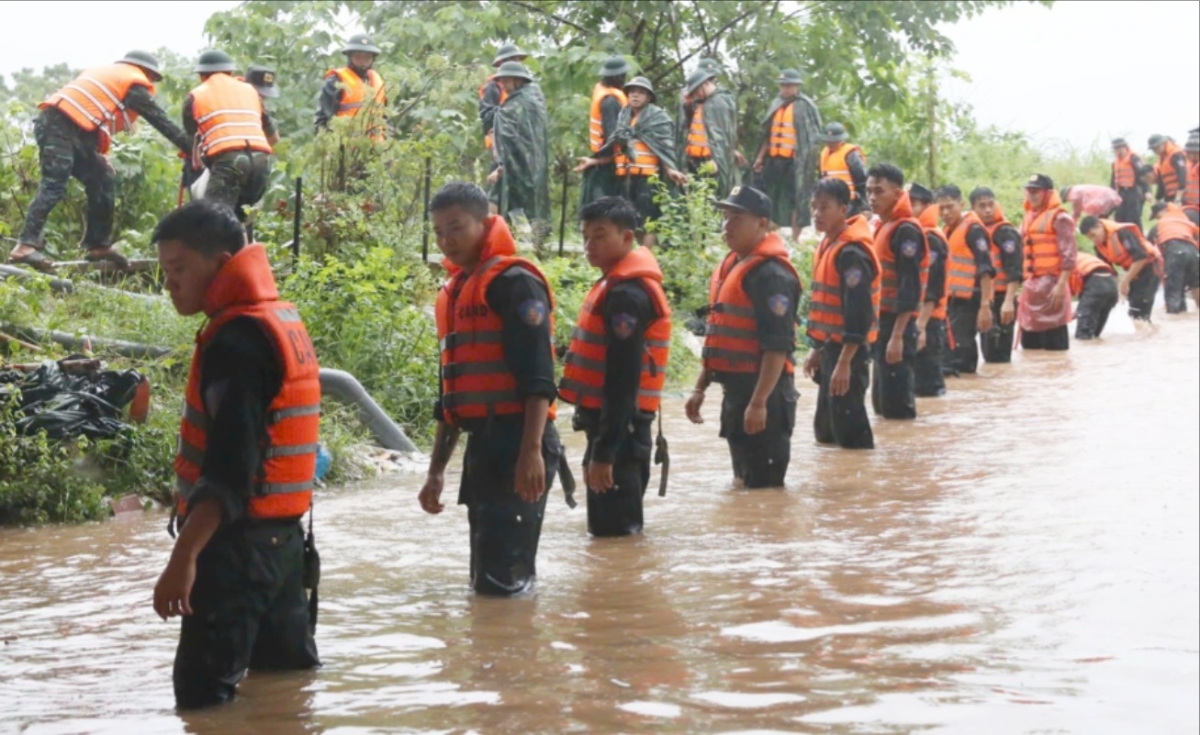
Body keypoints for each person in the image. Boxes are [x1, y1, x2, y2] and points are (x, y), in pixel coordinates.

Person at [151, 201, 320, 709]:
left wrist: (183, 557)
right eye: (165, 272)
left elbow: (230, 470)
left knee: (202, 701)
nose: (170, 285)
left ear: (221, 261)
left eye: (179, 270)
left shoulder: (236, 340)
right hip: (285, 546)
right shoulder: (277, 319)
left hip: (237, 552)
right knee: (284, 692)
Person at [420, 182, 563, 595]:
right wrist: (435, 471)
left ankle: (514, 655)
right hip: (484, 446)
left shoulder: (515, 283)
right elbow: (450, 393)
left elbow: (539, 378)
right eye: (439, 232)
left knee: (503, 585)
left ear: (485, 223)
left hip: (522, 442)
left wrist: (530, 451)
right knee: (488, 580)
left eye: (456, 228)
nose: (447, 241)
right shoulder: (458, 290)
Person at [10, 51, 191, 273]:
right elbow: (162, 122)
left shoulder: (107, 77)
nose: (150, 84)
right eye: (152, 78)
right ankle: (25, 245)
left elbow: (85, 118)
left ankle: (98, 244)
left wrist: (99, 157)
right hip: (57, 126)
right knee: (54, 183)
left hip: (66, 126)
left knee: (102, 176)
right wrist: (193, 149)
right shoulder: (133, 85)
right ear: (145, 71)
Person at [559, 197, 671, 536]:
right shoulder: (616, 286)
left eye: (599, 236)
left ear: (627, 238)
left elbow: (623, 379)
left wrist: (605, 453)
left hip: (621, 433)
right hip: (618, 429)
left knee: (616, 537)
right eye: (585, 237)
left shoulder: (626, 296)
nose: (588, 246)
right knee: (615, 536)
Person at [686, 186, 801, 486]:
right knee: (743, 483)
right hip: (736, 394)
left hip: (766, 396)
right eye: (725, 217)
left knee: (765, 491)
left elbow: (777, 346)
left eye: (736, 218)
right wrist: (700, 388)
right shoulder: (733, 266)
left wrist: (759, 402)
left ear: (762, 223)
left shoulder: (772, 275)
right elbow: (716, 338)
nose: (727, 226)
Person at [803, 178, 879, 449]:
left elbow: (859, 312)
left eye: (824, 207)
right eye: (813, 207)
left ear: (843, 209)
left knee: (851, 436)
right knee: (825, 433)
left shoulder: (851, 253)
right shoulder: (829, 245)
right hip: (829, 349)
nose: (816, 214)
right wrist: (816, 349)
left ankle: (858, 487)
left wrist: (845, 362)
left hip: (849, 352)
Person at [582, 76, 687, 245]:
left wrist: (671, 170)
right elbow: (615, 149)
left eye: (640, 92)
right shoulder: (623, 117)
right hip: (624, 179)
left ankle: (645, 259)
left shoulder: (657, 118)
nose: (635, 96)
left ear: (649, 97)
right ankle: (630, 259)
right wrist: (593, 162)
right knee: (627, 224)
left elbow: (664, 150)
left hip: (647, 180)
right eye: (632, 92)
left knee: (648, 223)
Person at [182, 50, 278, 222]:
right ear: (231, 72)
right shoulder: (251, 91)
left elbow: (193, 148)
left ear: (202, 76)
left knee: (214, 223)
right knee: (240, 222)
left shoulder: (195, 96)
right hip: (261, 162)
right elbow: (274, 138)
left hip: (229, 163)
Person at [865, 163, 925, 420]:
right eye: (869, 191)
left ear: (898, 193)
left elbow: (909, 284)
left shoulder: (906, 230)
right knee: (881, 403)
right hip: (881, 324)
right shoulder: (882, 226)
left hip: (897, 325)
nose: (872, 197)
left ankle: (905, 458)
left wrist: (898, 335)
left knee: (897, 408)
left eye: (879, 191)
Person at [752, 69, 823, 237]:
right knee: (769, 196)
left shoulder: (805, 106)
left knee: (796, 199)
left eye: (789, 85)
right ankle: (770, 235)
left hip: (795, 162)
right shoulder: (775, 104)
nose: (785, 89)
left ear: (797, 86)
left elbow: (812, 138)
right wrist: (760, 158)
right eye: (783, 85)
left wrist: (811, 162)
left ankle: (795, 238)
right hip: (774, 160)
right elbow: (767, 136)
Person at [488, 62, 551, 243]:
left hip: (517, 167)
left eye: (505, 81)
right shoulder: (534, 96)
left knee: (515, 205)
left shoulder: (516, 105)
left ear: (517, 80)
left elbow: (509, 140)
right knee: (518, 204)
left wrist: (500, 166)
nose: (503, 87)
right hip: (533, 166)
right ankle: (526, 242)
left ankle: (523, 244)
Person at [938, 184, 995, 374]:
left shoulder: (973, 230)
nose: (945, 212)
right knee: (950, 350)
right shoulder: (946, 231)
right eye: (941, 208)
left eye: (950, 207)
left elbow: (985, 269)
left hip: (971, 299)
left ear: (961, 205)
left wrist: (985, 305)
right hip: (952, 300)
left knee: (962, 350)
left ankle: (970, 388)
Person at [1018, 174, 1076, 351]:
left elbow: (1069, 255)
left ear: (1048, 194)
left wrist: (1060, 286)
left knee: (1055, 346)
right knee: (1030, 347)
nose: (1032, 195)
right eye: (1029, 191)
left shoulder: (1060, 218)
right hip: (1031, 287)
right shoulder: (1028, 217)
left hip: (1053, 286)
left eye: (1036, 191)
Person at [970, 187, 1022, 363]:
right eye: (982, 206)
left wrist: (1008, 302)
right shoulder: (975, 233)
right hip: (985, 299)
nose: (987, 210)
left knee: (998, 358)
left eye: (990, 205)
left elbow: (1014, 269)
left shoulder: (1004, 232)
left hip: (1001, 299)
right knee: (988, 353)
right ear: (972, 210)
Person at [1079, 215, 1162, 324]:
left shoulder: (1122, 233)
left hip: (1150, 268)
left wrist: (1125, 282)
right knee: (1134, 311)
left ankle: (1149, 336)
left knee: (1139, 313)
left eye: (1094, 235)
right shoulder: (1099, 247)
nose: (1094, 240)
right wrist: (1114, 291)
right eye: (1090, 238)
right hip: (1134, 273)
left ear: (1099, 226)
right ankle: (1147, 334)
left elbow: (1141, 257)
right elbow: (1107, 271)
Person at [909, 183, 949, 397]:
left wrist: (921, 326)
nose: (907, 207)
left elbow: (933, 287)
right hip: (919, 320)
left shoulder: (931, 239)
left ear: (925, 206)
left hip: (928, 322)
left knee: (928, 390)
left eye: (912, 204)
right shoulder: (917, 234)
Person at [577, 57, 630, 206]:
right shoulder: (610, 101)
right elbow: (613, 138)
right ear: (618, 77)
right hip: (607, 168)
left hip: (603, 162)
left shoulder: (605, 93)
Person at [681, 68, 740, 199]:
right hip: (696, 161)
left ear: (706, 83)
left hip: (710, 161)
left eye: (697, 89)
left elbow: (721, 138)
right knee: (697, 198)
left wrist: (716, 160)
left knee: (711, 199)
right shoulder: (704, 102)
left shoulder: (717, 103)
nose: (695, 94)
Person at [315, 33, 386, 139]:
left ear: (373, 58)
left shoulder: (377, 81)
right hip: (346, 149)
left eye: (367, 56)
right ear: (349, 56)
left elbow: (385, 117)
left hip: (375, 149)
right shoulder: (335, 81)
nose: (363, 60)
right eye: (358, 56)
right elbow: (323, 119)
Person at [1148, 202, 1200, 313]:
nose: (1158, 219)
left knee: (1173, 292)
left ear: (1163, 211)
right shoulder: (1185, 221)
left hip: (1176, 252)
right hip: (1194, 252)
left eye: (1157, 216)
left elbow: (1147, 248)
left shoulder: (1159, 225)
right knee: (1196, 285)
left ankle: (1173, 317)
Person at [479, 43, 527, 155]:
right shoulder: (493, 86)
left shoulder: (521, 86)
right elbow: (487, 117)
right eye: (515, 60)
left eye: (518, 60)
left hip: (517, 142)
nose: (518, 63)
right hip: (500, 145)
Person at [818, 122, 868, 216]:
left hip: (849, 203)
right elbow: (821, 178)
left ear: (841, 140)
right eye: (828, 140)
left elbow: (862, 180)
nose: (830, 143)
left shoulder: (850, 154)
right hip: (829, 201)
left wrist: (864, 205)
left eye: (834, 141)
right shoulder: (824, 154)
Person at [1070, 252, 1119, 340]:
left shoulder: (1062, 263)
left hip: (1095, 284)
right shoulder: (1078, 256)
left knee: (1083, 337)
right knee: (1095, 335)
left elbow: (1062, 293)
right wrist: (1080, 310)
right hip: (1112, 285)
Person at [1109, 138, 1145, 227]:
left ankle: (1138, 239)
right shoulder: (1115, 162)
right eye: (1116, 149)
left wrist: (1146, 191)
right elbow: (1113, 179)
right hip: (1121, 192)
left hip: (1133, 191)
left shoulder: (1134, 158)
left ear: (1125, 147)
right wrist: (1110, 194)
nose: (1118, 151)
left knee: (1133, 217)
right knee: (1119, 217)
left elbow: (1142, 174)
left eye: (1120, 148)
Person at [1149, 133, 1187, 204]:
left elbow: (1182, 176)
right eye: (1153, 149)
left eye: (1157, 147)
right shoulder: (1161, 160)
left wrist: (1178, 198)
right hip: (1169, 196)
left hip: (1182, 196)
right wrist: (1157, 200)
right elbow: (1161, 183)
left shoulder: (1176, 155)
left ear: (1163, 143)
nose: (1155, 151)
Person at [1184, 130, 1199, 223]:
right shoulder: (1189, 167)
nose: (1189, 156)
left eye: (1192, 153)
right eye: (1188, 153)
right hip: (1192, 207)